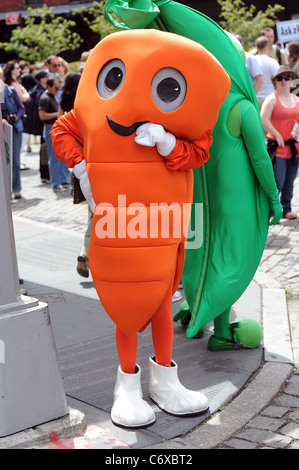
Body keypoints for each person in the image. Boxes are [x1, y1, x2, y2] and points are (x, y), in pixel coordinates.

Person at [261, 65, 299, 219]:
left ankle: (286, 208)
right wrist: (276, 133)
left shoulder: (296, 99)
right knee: (277, 181)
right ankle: (271, 211)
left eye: (287, 78)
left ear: (292, 81)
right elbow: (263, 119)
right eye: (280, 78)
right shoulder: (271, 99)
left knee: (290, 180)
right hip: (277, 147)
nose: (283, 81)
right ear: (275, 81)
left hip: (293, 146)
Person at [38, 74, 69, 192]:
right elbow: (42, 115)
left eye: (58, 88)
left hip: (56, 128)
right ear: (49, 86)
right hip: (50, 128)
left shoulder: (53, 96)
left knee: (61, 156)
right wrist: (57, 115)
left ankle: (62, 180)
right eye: (56, 88)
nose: (57, 91)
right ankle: (56, 183)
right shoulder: (45, 97)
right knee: (54, 157)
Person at [23, 70, 50, 182]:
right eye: (46, 77)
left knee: (43, 149)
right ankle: (46, 173)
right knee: (45, 149)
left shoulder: (35, 90)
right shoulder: (41, 92)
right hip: (44, 124)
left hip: (40, 124)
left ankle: (44, 174)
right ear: (42, 79)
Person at [1, 80, 25, 199]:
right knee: (4, 161)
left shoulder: (10, 90)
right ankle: (7, 190)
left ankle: (16, 188)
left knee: (15, 160)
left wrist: (16, 116)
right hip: (2, 128)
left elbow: (21, 107)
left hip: (15, 128)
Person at [255, 36, 279, 109]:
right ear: (268, 47)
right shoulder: (272, 62)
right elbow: (278, 79)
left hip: (255, 98)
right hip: (270, 97)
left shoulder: (251, 61)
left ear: (256, 47)